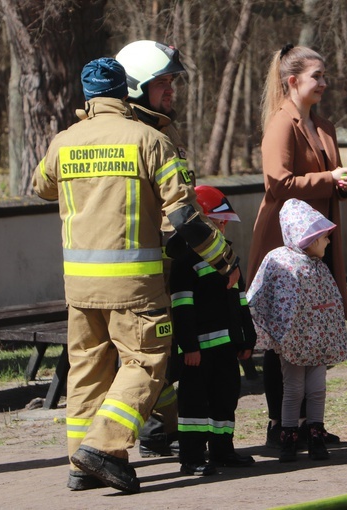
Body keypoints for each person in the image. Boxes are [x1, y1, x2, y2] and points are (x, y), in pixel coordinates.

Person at [33, 58, 240, 493]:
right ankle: (103, 448)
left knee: (87, 370)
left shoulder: (63, 142)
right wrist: (224, 259)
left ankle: (79, 466)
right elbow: (185, 216)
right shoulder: (150, 140)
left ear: (87, 98)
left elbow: (42, 186)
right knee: (144, 363)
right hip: (135, 284)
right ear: (127, 93)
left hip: (79, 286)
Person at [247, 44, 347, 448]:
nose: (324, 83)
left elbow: (329, 179)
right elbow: (277, 182)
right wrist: (330, 178)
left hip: (319, 243)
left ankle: (310, 422)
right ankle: (281, 423)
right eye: (317, 77)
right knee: (284, 335)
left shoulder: (324, 125)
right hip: (285, 244)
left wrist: (342, 184)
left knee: (313, 328)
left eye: (325, 76)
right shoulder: (281, 124)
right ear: (292, 81)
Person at [115, 39, 189, 459]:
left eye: (172, 83)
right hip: (140, 272)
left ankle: (162, 431)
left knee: (164, 357)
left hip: (165, 265)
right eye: (163, 83)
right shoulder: (138, 135)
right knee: (146, 359)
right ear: (138, 86)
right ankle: (156, 430)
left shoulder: (162, 127)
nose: (171, 92)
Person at [247, 198, 347, 462]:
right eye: (324, 237)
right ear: (309, 237)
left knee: (316, 389)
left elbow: (331, 305)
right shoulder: (279, 260)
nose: (328, 242)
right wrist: (274, 332)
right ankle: (288, 438)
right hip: (292, 345)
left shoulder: (319, 268)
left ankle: (315, 436)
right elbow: (258, 296)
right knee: (293, 390)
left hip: (318, 344)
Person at [168, 186, 256, 476]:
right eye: (219, 221)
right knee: (194, 404)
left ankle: (223, 450)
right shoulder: (185, 262)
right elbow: (182, 308)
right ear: (199, 223)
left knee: (225, 398)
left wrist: (246, 337)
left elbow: (239, 300)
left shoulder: (227, 258)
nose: (224, 225)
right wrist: (189, 346)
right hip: (197, 353)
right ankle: (191, 456)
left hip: (226, 348)